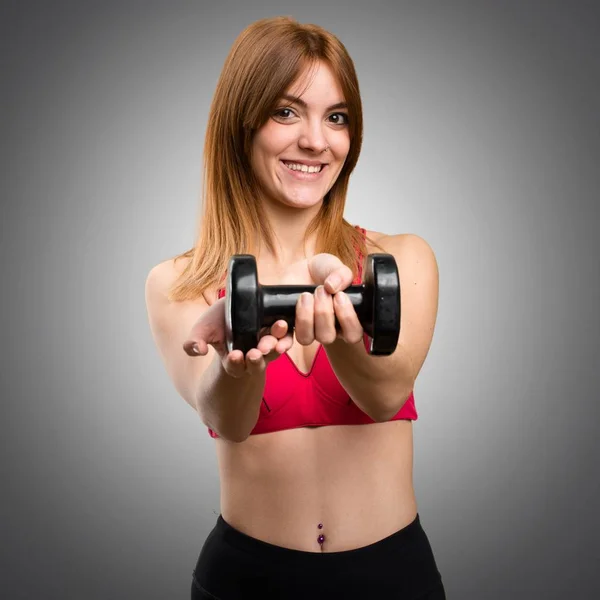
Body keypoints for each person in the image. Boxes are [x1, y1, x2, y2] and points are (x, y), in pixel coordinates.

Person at [145, 15, 445, 600]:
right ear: (242, 122)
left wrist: (338, 332)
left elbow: (385, 395)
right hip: (246, 578)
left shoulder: (404, 258)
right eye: (287, 112)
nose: (316, 140)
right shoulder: (179, 282)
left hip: (393, 576)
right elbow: (227, 419)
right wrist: (238, 359)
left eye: (336, 118)